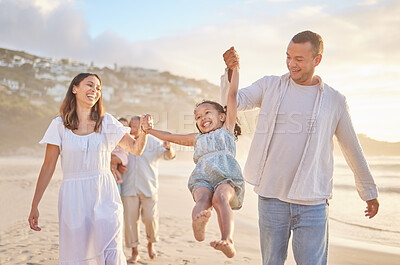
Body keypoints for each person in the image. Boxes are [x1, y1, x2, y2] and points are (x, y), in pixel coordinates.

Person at [221, 31, 379, 265]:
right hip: (271, 196)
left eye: (299, 59)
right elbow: (233, 102)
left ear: (317, 60)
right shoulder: (270, 85)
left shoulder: (335, 100)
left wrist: (369, 192)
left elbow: (352, 148)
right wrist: (231, 72)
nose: (291, 64)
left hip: (313, 201)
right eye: (288, 57)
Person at [28, 73, 153, 265]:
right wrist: (35, 204)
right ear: (75, 88)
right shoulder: (59, 125)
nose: (95, 90)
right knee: (78, 254)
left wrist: (143, 131)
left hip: (105, 193)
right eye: (90, 85)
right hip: (73, 197)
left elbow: (135, 149)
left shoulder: (107, 122)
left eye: (98, 88)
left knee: (110, 249)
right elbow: (48, 167)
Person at [145, 67, 244, 258]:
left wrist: (236, 71)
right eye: (198, 117)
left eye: (207, 113)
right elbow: (170, 136)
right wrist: (149, 130)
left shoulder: (227, 129)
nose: (202, 118)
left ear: (222, 116)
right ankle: (199, 225)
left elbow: (232, 95)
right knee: (203, 199)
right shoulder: (197, 138)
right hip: (203, 177)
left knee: (220, 198)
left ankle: (227, 240)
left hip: (227, 177)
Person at [120, 115, 176, 263]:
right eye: (130, 126)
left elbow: (168, 156)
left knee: (150, 219)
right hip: (128, 188)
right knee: (130, 222)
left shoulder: (152, 141)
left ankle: (151, 244)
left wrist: (169, 148)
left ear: (142, 126)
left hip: (149, 187)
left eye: (136, 126)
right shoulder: (125, 141)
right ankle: (135, 252)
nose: (132, 129)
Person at [111, 117, 130, 185]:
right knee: (112, 165)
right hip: (115, 154)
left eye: (125, 126)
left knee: (112, 162)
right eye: (121, 126)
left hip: (122, 156)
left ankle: (116, 179)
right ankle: (116, 179)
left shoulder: (128, 137)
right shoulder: (113, 136)